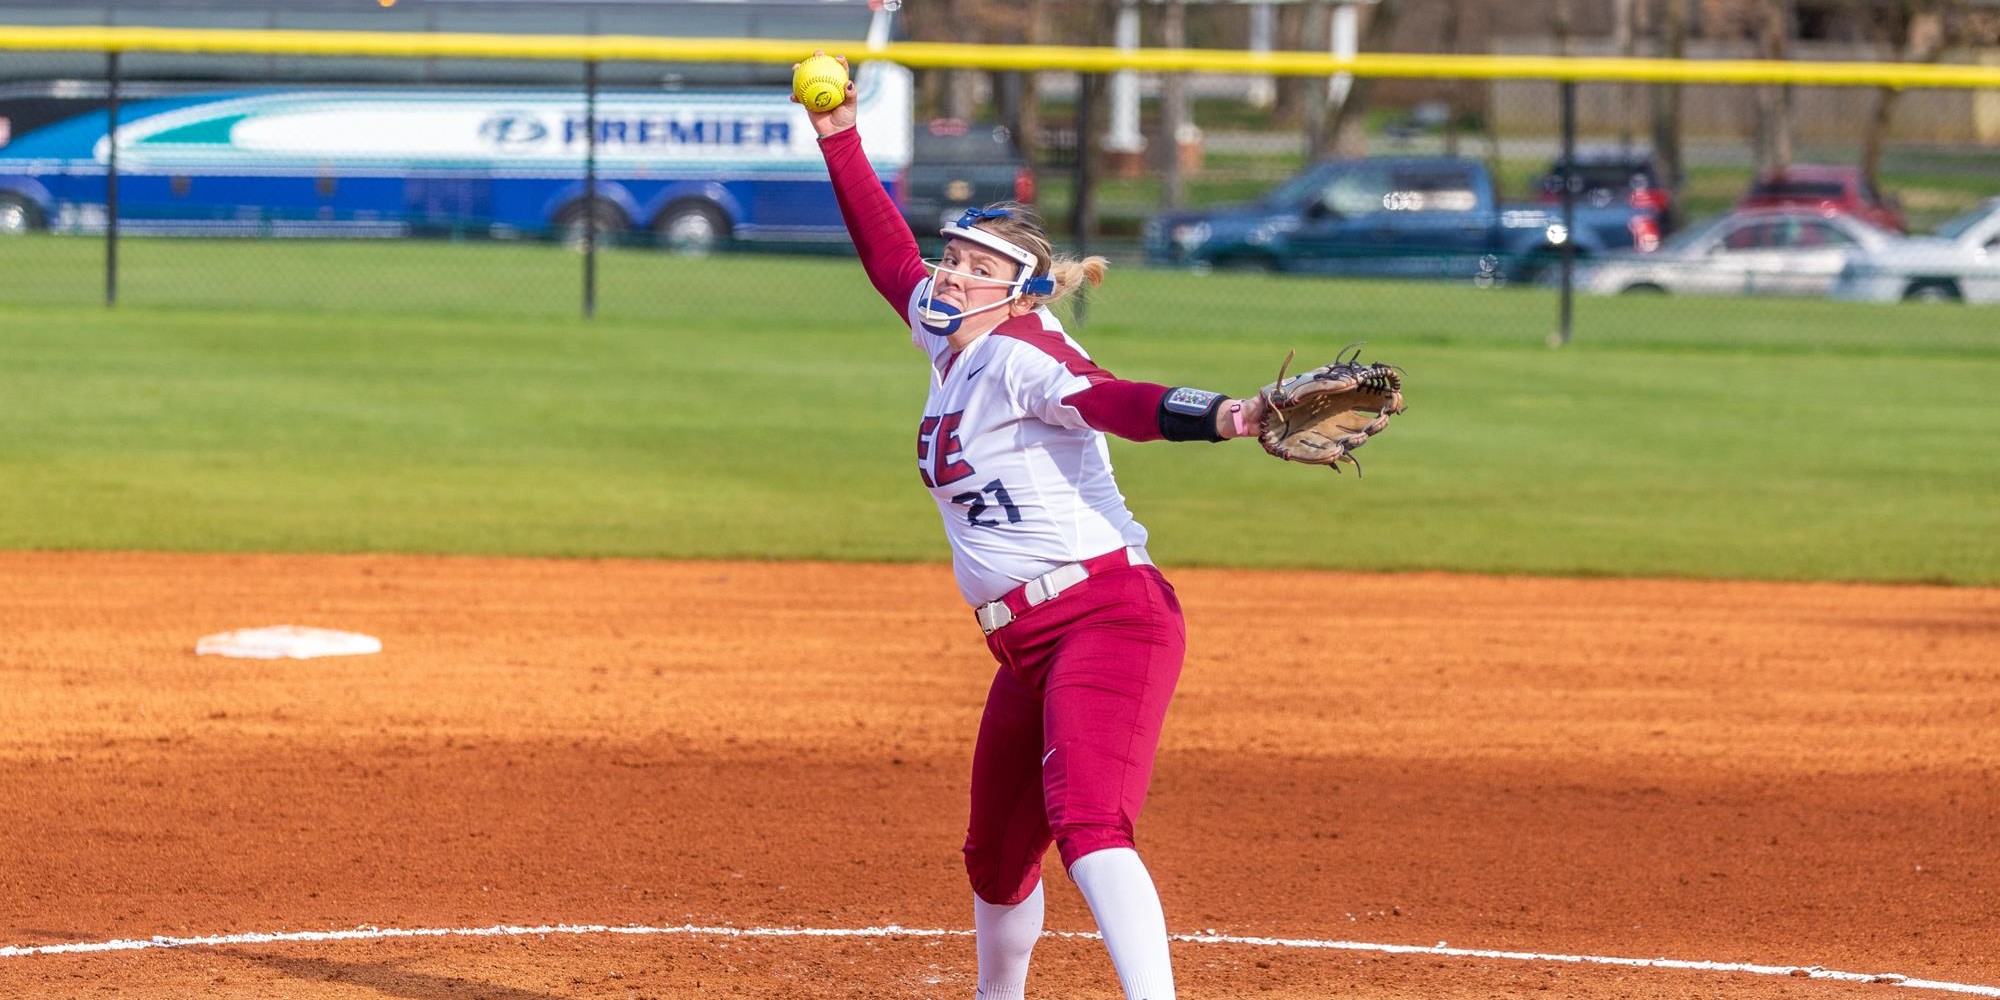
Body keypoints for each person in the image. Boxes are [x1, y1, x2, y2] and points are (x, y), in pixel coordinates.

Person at [797, 53, 1268, 1000]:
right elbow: (887, 254)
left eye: (977, 268)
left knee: (1090, 822)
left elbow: (1115, 400)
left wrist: (1223, 415)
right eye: (955, 259)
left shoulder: (1025, 353)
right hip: (1023, 642)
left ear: (1020, 291)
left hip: (1108, 616)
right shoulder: (951, 336)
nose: (951, 274)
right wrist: (839, 133)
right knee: (997, 853)